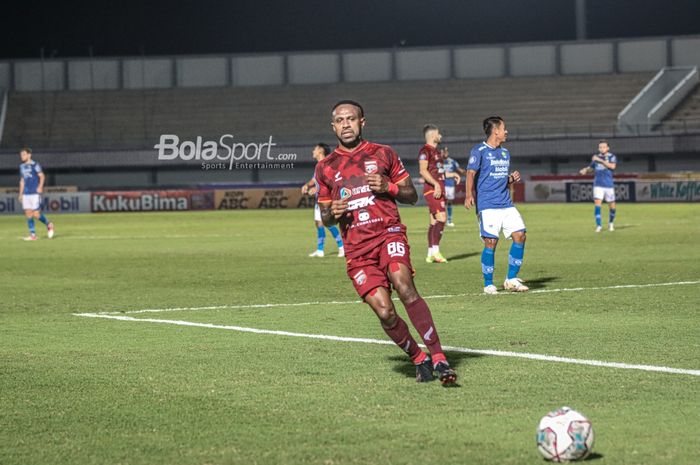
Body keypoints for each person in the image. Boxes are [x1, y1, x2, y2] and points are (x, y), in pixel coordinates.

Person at [315, 100, 457, 385]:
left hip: (388, 233)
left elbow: (411, 195)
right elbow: (327, 216)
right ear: (333, 127)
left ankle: (440, 358)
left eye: (351, 119)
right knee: (384, 311)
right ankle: (419, 359)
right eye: (340, 120)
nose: (346, 124)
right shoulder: (326, 168)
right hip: (358, 250)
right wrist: (334, 213)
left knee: (404, 286)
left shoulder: (383, 153)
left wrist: (388, 186)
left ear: (362, 122)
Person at [465, 116, 527, 294]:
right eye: (504, 128)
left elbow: (497, 178)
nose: (506, 131)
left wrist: (510, 179)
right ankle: (488, 284)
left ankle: (511, 279)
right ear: (495, 131)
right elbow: (470, 173)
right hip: (488, 205)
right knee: (491, 241)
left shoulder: (505, 153)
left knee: (520, 235)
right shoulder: (479, 151)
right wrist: (469, 195)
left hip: (506, 203)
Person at [301, 143, 344, 257]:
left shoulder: (327, 164)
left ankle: (342, 246)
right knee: (319, 223)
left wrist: (317, 188)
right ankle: (320, 250)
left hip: (327, 199)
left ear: (320, 151)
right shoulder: (319, 166)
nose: (313, 151)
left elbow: (331, 181)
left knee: (327, 222)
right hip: (319, 200)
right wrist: (307, 185)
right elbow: (315, 180)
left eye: (314, 149)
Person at [418, 125, 448, 263]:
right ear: (432, 136)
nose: (440, 135)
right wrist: (435, 184)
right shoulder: (425, 151)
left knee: (434, 221)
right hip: (432, 190)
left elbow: (438, 172)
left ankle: (430, 253)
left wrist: (452, 174)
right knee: (442, 218)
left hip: (438, 188)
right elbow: (423, 171)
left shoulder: (436, 152)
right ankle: (436, 252)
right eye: (438, 133)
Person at [579, 140, 617, 232]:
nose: (602, 148)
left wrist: (600, 160)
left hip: (608, 185)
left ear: (608, 148)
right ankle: (599, 225)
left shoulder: (612, 156)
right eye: (600, 147)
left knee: (612, 207)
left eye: (604, 147)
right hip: (598, 184)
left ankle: (611, 223)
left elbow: (612, 167)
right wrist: (585, 170)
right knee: (597, 204)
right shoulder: (596, 158)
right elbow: (591, 168)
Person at [18, 147, 54, 241]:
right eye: (21, 155)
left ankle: (49, 224)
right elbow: (22, 181)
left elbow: (42, 176)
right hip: (26, 193)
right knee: (28, 213)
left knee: (36, 214)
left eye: (24, 154)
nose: (22, 156)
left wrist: (40, 187)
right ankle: (33, 235)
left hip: (34, 193)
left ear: (29, 155)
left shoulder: (35, 165)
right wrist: (20, 194)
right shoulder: (21, 166)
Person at [441, 146, 465, 227]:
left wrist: (466, 172)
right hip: (442, 184)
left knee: (449, 202)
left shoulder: (452, 161)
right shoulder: (439, 161)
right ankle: (442, 220)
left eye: (446, 151)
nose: (445, 153)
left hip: (450, 184)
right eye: (444, 151)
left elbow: (459, 169)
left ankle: (449, 220)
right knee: (442, 202)